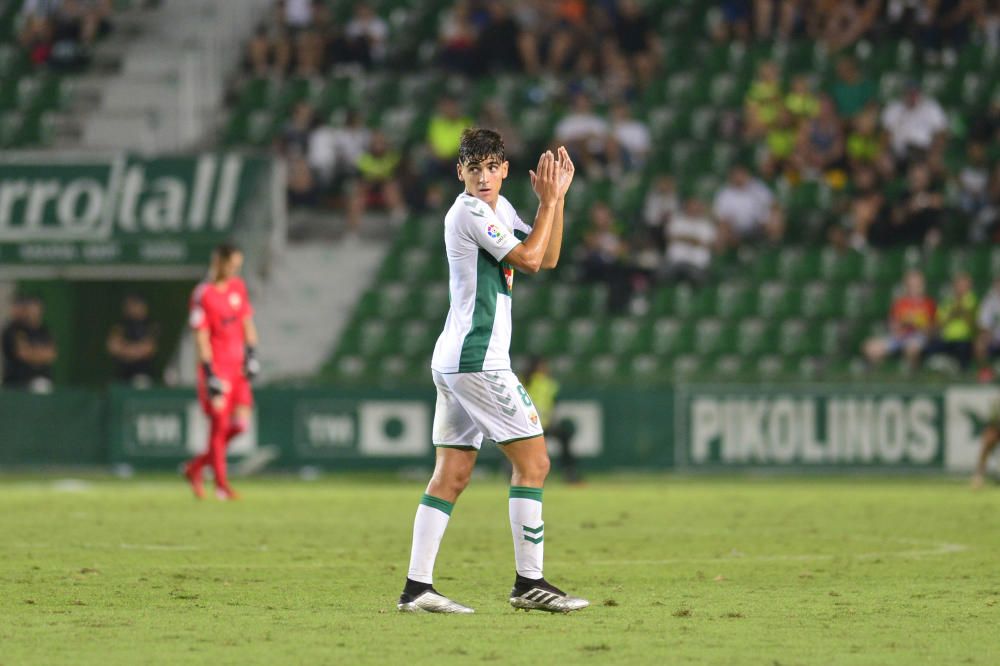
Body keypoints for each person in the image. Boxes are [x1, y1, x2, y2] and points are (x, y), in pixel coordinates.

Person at [398, 130, 588, 614]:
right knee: (536, 463)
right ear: (459, 172)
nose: (482, 177)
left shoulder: (499, 211)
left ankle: (417, 588)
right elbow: (525, 260)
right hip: (478, 358)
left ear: (504, 170)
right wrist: (547, 203)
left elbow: (547, 256)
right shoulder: (470, 211)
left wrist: (557, 201)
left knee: (452, 474)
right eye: (473, 168)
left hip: (456, 358)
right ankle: (530, 582)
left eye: (490, 167)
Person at [184, 244, 260, 501]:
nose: (235, 270)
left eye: (238, 266)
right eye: (232, 265)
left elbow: (247, 322)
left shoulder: (238, 287)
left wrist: (251, 356)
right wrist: (209, 373)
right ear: (219, 262)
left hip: (238, 367)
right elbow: (201, 336)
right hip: (217, 368)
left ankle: (196, 467)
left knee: (240, 425)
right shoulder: (203, 294)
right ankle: (221, 484)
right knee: (219, 425)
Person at [862, 269, 935, 370]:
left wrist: (917, 323)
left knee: (911, 347)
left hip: (919, 338)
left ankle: (913, 377)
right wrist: (902, 324)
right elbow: (893, 327)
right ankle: (879, 376)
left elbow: (932, 331)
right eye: (910, 284)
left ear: (922, 285)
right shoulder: (899, 303)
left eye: (917, 284)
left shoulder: (929, 304)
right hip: (900, 337)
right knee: (870, 347)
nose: (913, 288)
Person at [524, 356, 580, 484]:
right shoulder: (545, 383)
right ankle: (570, 473)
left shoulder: (525, 381)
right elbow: (553, 403)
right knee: (563, 439)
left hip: (536, 425)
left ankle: (569, 472)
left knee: (564, 438)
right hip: (538, 425)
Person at [0, 295, 57, 392]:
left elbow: (51, 354)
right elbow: (23, 353)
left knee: (42, 386)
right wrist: (38, 354)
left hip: (42, 380)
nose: (32, 312)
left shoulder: (44, 330)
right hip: (16, 382)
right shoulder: (14, 330)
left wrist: (33, 353)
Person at [925, 272, 978, 369]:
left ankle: (962, 370)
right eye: (959, 284)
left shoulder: (973, 300)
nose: (961, 288)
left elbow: (972, 320)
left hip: (965, 339)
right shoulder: (947, 301)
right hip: (947, 338)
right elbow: (940, 322)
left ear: (969, 286)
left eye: (964, 285)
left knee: (963, 348)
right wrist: (956, 312)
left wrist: (957, 312)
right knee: (929, 348)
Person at [106, 294, 159, 387]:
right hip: (121, 375)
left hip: (142, 375)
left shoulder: (150, 326)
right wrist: (134, 350)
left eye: (137, 305)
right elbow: (113, 347)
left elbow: (148, 349)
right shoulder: (120, 325)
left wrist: (125, 350)